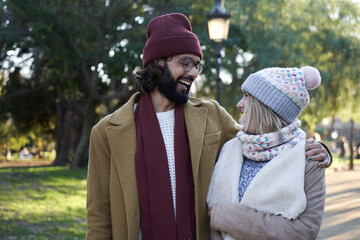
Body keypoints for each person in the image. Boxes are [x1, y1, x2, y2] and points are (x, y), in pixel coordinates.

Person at [86, 13, 331, 240]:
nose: (193, 73)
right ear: (158, 62)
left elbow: (262, 143)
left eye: (196, 65)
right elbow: (99, 217)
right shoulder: (107, 132)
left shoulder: (211, 115)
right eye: (185, 63)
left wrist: (317, 150)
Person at [207, 66, 326, 240]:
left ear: (266, 106)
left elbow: (304, 231)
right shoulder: (230, 147)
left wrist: (227, 217)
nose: (239, 104)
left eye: (247, 96)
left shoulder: (308, 158)